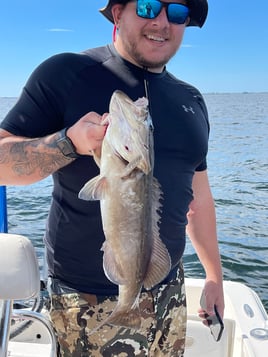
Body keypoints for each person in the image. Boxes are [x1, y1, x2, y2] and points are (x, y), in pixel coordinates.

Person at [0, 0, 224, 356]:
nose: (163, 22)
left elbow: (199, 199)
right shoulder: (67, 72)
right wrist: (67, 142)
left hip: (170, 293)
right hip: (88, 302)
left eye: (178, 13)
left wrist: (214, 276)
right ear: (118, 13)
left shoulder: (191, 99)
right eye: (149, 6)